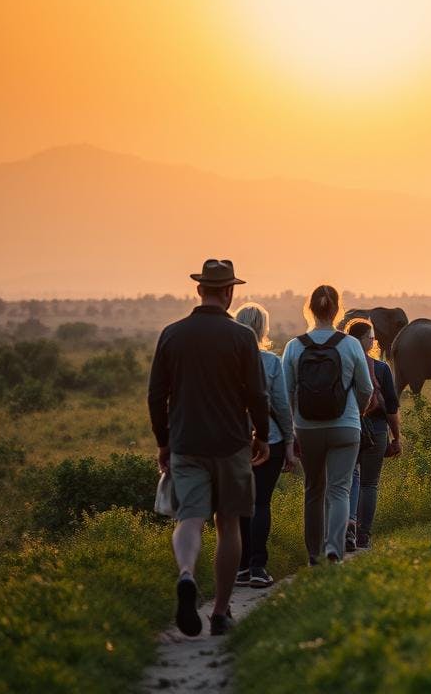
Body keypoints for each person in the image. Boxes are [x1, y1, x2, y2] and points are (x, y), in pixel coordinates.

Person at [148, 259, 271, 637]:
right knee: (228, 524)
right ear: (230, 291)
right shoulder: (241, 337)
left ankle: (186, 573)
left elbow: (156, 396)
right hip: (232, 443)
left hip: (186, 442)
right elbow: (256, 393)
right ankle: (220, 611)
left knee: (190, 518)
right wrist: (262, 435)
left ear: (200, 289)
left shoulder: (172, 334)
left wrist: (164, 442)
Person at [281, 285, 372, 565]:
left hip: (307, 428)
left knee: (313, 489)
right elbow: (366, 388)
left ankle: (313, 554)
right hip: (346, 426)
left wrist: (291, 431)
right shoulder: (351, 345)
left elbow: (286, 395)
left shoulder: (294, 346)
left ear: (310, 309)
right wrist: (355, 411)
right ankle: (334, 548)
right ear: (337, 311)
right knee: (340, 489)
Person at [234, 302, 296, 588]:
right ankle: (259, 566)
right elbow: (282, 406)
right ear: (262, 329)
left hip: (234, 442)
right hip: (269, 439)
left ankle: (242, 566)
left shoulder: (226, 360)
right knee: (261, 503)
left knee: (240, 504)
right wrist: (290, 442)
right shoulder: (270, 362)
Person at [344, 320, 402, 552]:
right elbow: (391, 408)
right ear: (363, 341)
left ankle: (347, 527)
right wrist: (396, 437)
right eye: (371, 337)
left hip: (347, 429)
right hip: (376, 431)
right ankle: (363, 536)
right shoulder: (381, 368)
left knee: (349, 481)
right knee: (369, 483)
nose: (374, 341)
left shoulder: (343, 365)